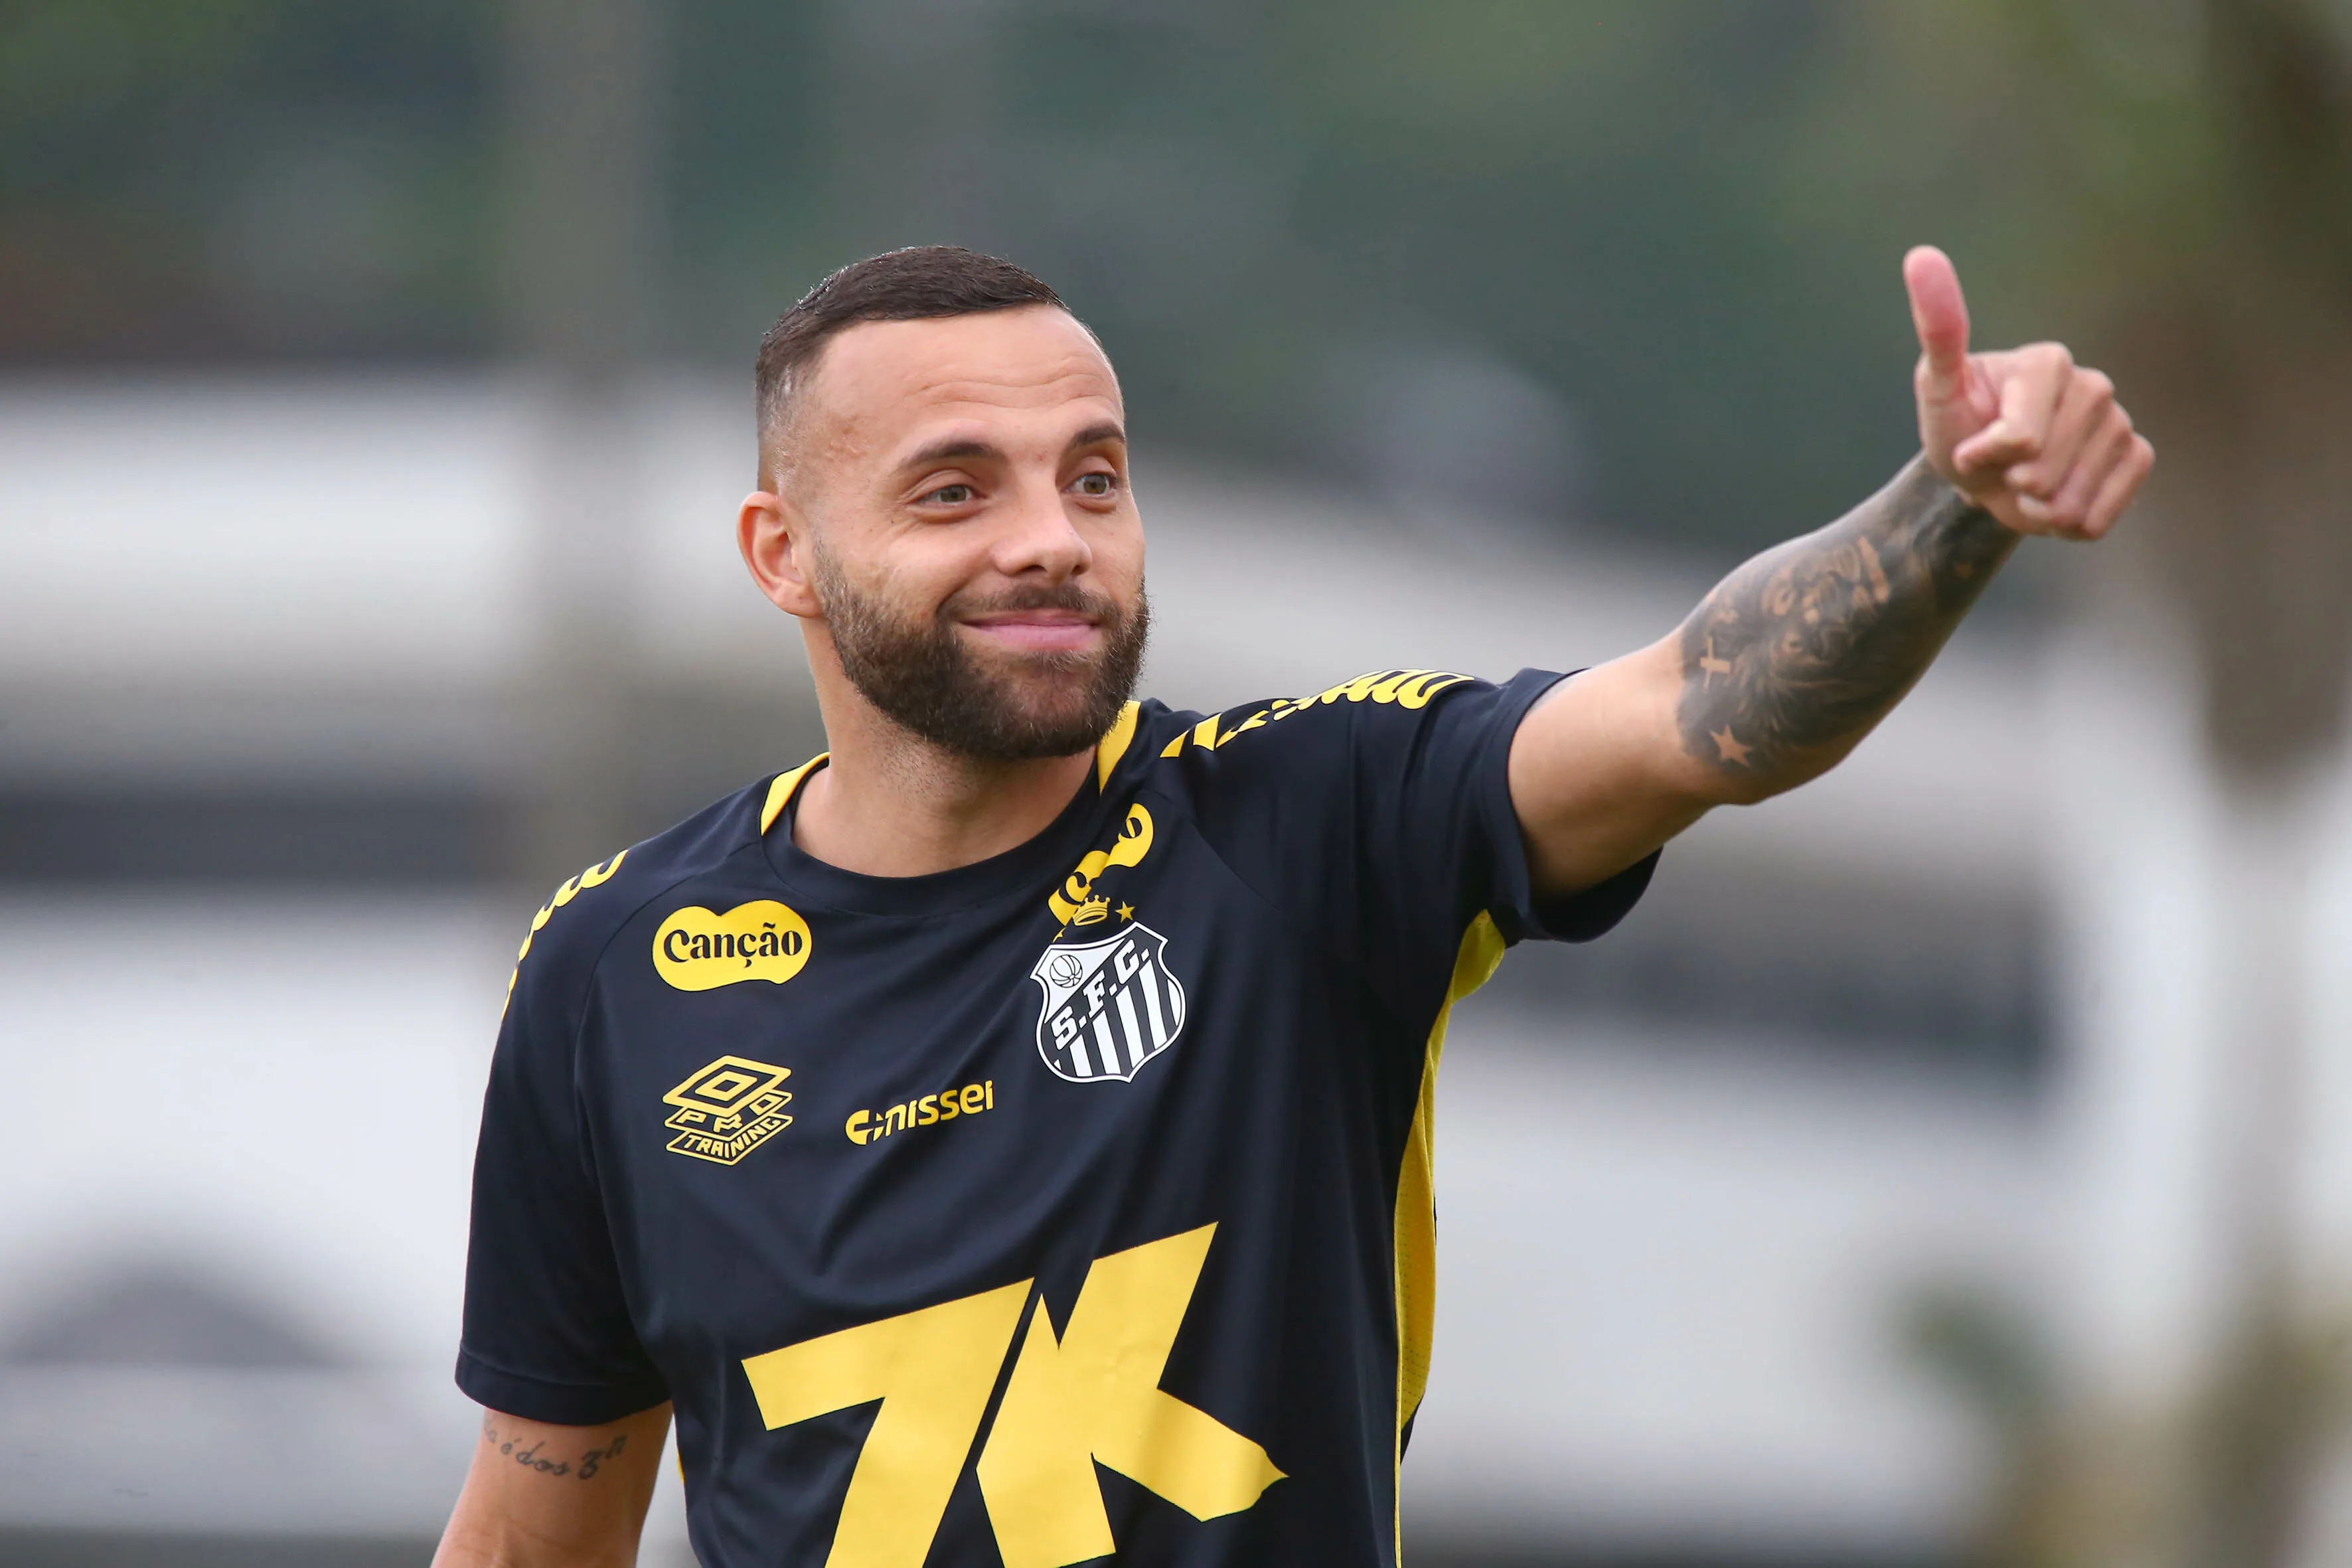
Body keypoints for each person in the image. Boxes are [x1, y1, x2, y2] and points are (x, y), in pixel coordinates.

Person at [433, 244, 2151, 1568]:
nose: (1051, 537)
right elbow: (528, 1536)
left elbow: (1703, 712)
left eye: (1091, 477)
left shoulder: (1304, 822)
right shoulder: (609, 972)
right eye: (955, 489)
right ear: (779, 553)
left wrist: (1947, 512)